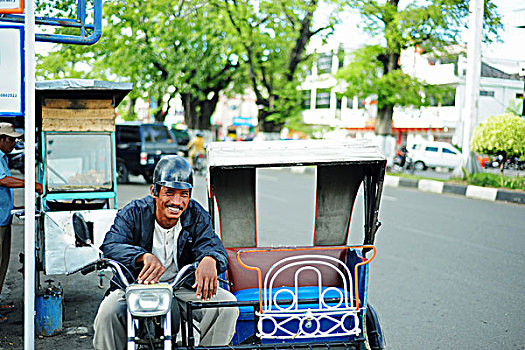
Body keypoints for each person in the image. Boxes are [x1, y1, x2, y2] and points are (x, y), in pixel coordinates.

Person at [93, 155, 238, 349]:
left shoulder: (196, 214)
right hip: (135, 286)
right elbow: (111, 245)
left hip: (181, 287)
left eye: (184, 194)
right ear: (155, 191)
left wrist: (210, 259)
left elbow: (211, 243)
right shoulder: (133, 212)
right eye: (169, 193)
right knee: (107, 313)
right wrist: (141, 257)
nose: (176, 202)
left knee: (226, 305)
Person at [0, 123, 43, 324]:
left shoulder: (3, 157)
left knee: (3, 262)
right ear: (1, 139)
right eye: (11, 139)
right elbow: (3, 181)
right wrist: (30, 184)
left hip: (4, 216)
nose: (14, 142)